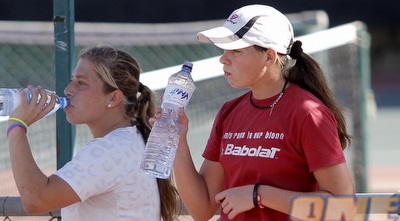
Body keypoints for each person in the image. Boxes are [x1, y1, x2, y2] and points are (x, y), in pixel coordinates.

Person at [172, 4, 355, 221]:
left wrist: (258, 195)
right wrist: (176, 138)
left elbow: (342, 207)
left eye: (236, 50)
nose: (223, 59)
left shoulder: (308, 113)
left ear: (269, 57)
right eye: (224, 51)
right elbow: (202, 209)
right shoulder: (229, 112)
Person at [7, 45, 179, 221]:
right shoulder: (127, 141)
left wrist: (17, 126)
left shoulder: (111, 149)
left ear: (113, 98)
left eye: (81, 83)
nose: (68, 90)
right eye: (72, 80)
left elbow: (36, 199)